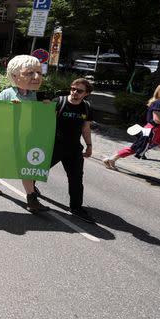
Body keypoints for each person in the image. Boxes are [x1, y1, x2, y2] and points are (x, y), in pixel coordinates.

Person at [0, 54, 49, 212]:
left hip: (27, 137)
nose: (36, 77)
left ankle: (31, 200)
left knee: (25, 166)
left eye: (39, 73)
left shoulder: (36, 95)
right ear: (14, 75)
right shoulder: (7, 94)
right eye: (29, 73)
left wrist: (46, 108)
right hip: (8, 136)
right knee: (2, 161)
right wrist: (9, 108)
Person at [103, 84, 160, 184]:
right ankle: (111, 159)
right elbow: (157, 120)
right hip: (154, 131)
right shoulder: (158, 103)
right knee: (137, 147)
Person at [50, 79, 96, 223]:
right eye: (73, 89)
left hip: (74, 148)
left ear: (86, 93)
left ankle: (76, 207)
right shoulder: (59, 101)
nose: (74, 92)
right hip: (54, 146)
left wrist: (89, 145)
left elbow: (85, 128)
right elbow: (46, 123)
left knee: (76, 178)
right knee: (39, 169)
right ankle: (31, 191)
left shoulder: (87, 107)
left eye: (79, 91)